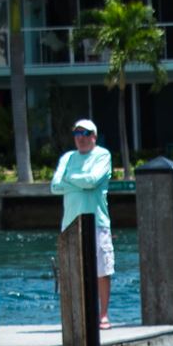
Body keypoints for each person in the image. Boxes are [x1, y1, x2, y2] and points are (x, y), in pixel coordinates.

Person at [51, 117, 114, 327]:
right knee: (72, 272)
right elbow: (55, 186)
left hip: (97, 222)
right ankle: (78, 316)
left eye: (86, 134)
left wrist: (70, 179)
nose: (81, 138)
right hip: (70, 224)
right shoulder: (67, 158)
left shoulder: (103, 155)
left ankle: (103, 315)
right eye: (77, 134)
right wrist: (78, 179)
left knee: (102, 270)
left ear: (94, 137)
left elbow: (92, 181)